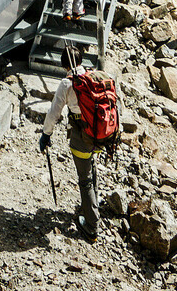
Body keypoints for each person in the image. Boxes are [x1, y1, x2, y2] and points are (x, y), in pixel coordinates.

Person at [38, 46, 119, 242]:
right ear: (81, 60)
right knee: (91, 171)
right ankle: (91, 208)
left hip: (81, 138)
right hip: (101, 135)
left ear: (63, 64)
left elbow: (53, 113)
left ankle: (91, 226)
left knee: (85, 180)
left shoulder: (67, 84)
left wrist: (45, 134)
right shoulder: (95, 78)